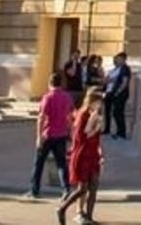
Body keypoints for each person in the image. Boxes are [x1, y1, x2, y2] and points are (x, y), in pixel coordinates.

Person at [60, 86, 106, 225]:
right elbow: (81, 137)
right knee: (83, 188)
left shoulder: (95, 114)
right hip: (82, 153)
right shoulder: (83, 114)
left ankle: (90, 216)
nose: (101, 104)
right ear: (92, 100)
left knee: (94, 186)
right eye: (99, 101)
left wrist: (101, 152)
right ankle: (64, 208)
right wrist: (95, 127)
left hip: (93, 154)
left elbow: (97, 138)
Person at [29, 72, 74, 200]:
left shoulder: (47, 97)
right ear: (62, 83)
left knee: (39, 163)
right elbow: (70, 117)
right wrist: (71, 132)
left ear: (50, 83)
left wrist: (38, 136)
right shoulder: (67, 97)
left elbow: (41, 118)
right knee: (61, 163)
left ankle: (34, 190)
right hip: (61, 134)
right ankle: (66, 189)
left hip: (47, 134)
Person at [104, 52, 132, 138]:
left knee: (118, 112)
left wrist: (117, 92)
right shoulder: (118, 68)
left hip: (120, 94)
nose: (117, 60)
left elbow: (124, 82)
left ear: (123, 59)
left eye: (119, 59)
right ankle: (114, 130)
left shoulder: (125, 69)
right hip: (113, 93)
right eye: (117, 59)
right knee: (113, 112)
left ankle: (121, 132)